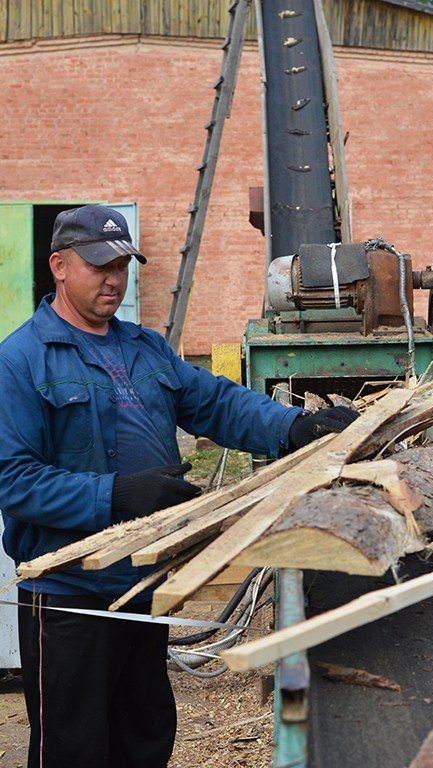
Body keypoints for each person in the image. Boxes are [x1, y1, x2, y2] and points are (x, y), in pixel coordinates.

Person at [0, 205, 358, 768]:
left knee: (145, 739)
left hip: (144, 584)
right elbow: (14, 481)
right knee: (74, 749)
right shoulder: (21, 360)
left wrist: (293, 426)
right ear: (59, 266)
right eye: (99, 266)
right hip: (70, 597)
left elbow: (216, 402)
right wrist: (116, 495)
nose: (114, 279)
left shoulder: (143, 347)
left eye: (121, 265)